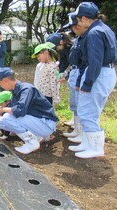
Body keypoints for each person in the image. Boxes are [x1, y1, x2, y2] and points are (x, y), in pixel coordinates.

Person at [63, 2, 117, 158]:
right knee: (88, 111)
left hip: (99, 73)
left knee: (88, 112)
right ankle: (87, 143)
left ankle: (95, 148)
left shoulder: (94, 33)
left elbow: (94, 61)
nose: (77, 23)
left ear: (85, 18)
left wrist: (87, 83)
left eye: (78, 20)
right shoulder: (103, 29)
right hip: (104, 71)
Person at [0, 67, 58, 154]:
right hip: (38, 122)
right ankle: (36, 137)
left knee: (7, 117)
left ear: (5, 80)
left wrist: (3, 109)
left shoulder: (26, 89)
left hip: (46, 124)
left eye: (0, 83)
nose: (0, 86)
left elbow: (20, 110)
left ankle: (31, 143)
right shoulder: (15, 91)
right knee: (0, 121)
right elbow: (10, 109)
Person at [61, 12, 88, 144]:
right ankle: (77, 131)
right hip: (75, 72)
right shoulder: (78, 41)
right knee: (75, 103)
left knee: (83, 106)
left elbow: (83, 62)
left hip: (81, 73)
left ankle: (83, 135)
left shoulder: (86, 39)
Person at [47, 32, 74, 126]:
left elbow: (76, 64)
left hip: (79, 72)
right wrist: (60, 73)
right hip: (74, 73)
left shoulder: (72, 48)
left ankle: (78, 125)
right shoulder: (62, 49)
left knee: (78, 101)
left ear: (61, 42)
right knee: (74, 99)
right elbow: (63, 62)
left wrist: (66, 76)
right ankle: (74, 121)